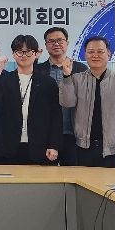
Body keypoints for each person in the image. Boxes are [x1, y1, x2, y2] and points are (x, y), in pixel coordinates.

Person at [59, 36, 115, 168]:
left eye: (100, 51)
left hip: (113, 150)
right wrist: (66, 76)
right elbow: (67, 103)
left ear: (109, 54)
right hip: (83, 148)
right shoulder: (76, 79)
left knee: (112, 182)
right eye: (91, 52)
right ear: (85, 55)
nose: (95, 55)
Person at [0, 35, 62, 165]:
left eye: (28, 51)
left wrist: (53, 145)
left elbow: (56, 116)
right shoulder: (5, 80)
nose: (24, 55)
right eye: (19, 51)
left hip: (41, 147)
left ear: (36, 54)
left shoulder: (47, 82)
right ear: (13, 54)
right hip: (9, 147)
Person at [35, 27, 87, 166]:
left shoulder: (81, 70)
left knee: (74, 174)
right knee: (45, 175)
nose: (56, 44)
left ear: (67, 43)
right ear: (46, 45)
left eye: (60, 40)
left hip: (73, 134)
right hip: (46, 135)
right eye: (51, 41)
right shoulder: (38, 70)